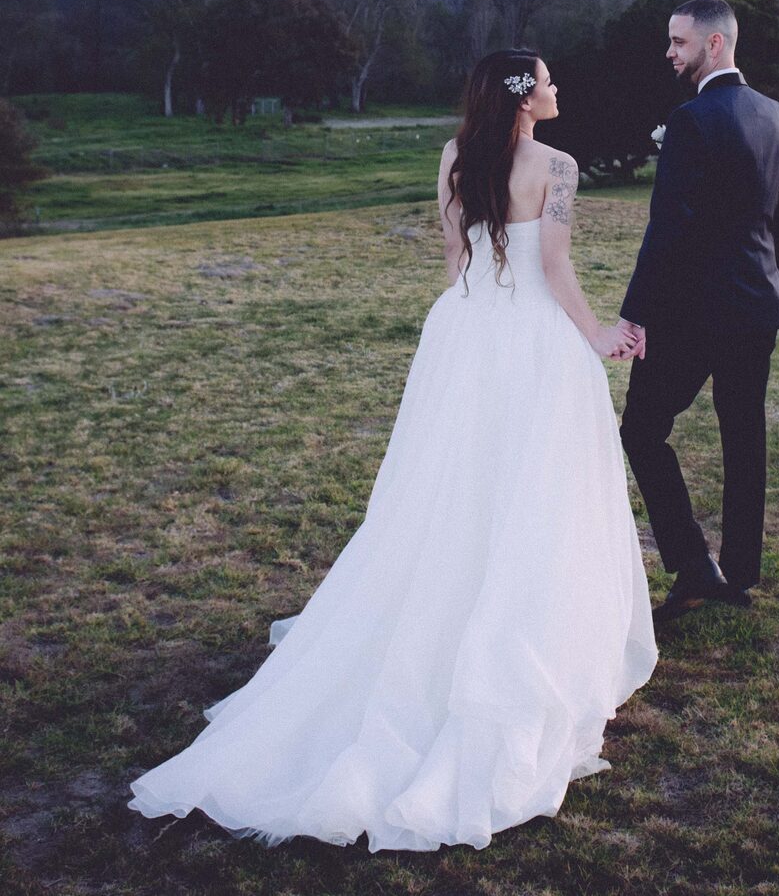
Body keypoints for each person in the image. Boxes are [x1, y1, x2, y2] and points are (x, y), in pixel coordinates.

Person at [128, 50, 658, 852]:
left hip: (465, 333)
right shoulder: (559, 165)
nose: (557, 90)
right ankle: (516, 646)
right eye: (547, 80)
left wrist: (473, 320)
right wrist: (599, 334)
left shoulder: (453, 156)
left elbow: (455, 262)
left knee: (450, 489)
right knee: (537, 496)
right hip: (531, 346)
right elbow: (554, 266)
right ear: (525, 96)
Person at [618, 0, 779, 622]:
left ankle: (695, 567)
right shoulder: (775, 115)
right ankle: (740, 571)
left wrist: (635, 315)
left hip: (692, 315)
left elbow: (666, 228)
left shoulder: (692, 119)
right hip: (757, 309)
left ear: (714, 45)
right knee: (744, 434)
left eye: (679, 42)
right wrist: (768, 285)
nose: (670, 53)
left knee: (641, 431)